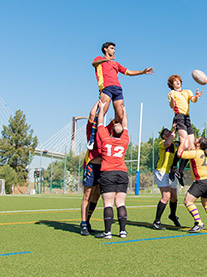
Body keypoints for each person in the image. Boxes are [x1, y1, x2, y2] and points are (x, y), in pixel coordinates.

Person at [87, 42, 154, 150]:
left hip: (117, 89)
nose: (114, 50)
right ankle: (92, 138)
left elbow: (129, 72)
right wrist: (106, 60)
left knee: (120, 115)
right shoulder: (99, 59)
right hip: (106, 88)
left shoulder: (116, 64)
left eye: (114, 49)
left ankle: (115, 139)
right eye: (111, 48)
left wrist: (142, 71)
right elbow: (93, 63)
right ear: (105, 49)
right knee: (102, 111)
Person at [95, 101, 129, 239]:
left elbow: (100, 123)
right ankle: (122, 231)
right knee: (120, 203)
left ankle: (108, 232)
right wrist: (124, 112)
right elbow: (125, 125)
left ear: (111, 131)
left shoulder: (105, 139)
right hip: (122, 173)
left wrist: (102, 109)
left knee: (108, 203)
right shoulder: (124, 140)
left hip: (108, 173)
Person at [80, 101, 114, 236]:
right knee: (87, 194)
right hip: (91, 165)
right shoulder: (91, 128)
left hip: (103, 167)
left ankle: (88, 220)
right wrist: (100, 102)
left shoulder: (106, 130)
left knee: (97, 194)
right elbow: (92, 114)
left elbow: (119, 118)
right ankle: (83, 224)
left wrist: (117, 103)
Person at [167, 74, 203, 187]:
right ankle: (173, 168)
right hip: (179, 117)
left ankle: (180, 171)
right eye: (175, 81)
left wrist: (196, 96)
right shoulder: (172, 93)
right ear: (172, 84)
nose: (177, 82)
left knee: (191, 147)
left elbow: (194, 100)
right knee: (183, 143)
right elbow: (172, 106)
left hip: (187, 119)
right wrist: (172, 100)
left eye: (179, 81)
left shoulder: (187, 91)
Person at [177, 136, 207, 233]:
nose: (195, 139)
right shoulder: (204, 153)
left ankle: (199, 223)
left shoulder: (195, 153)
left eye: (197, 139)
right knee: (206, 204)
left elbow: (179, 154)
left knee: (188, 201)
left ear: (199, 144)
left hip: (202, 181)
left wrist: (182, 142)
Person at [152, 125, 181, 230]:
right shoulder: (162, 143)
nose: (169, 132)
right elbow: (168, 143)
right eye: (166, 131)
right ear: (164, 136)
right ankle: (157, 221)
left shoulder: (175, 144)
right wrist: (174, 130)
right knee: (166, 196)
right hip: (161, 171)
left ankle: (172, 215)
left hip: (170, 172)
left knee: (174, 197)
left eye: (170, 131)